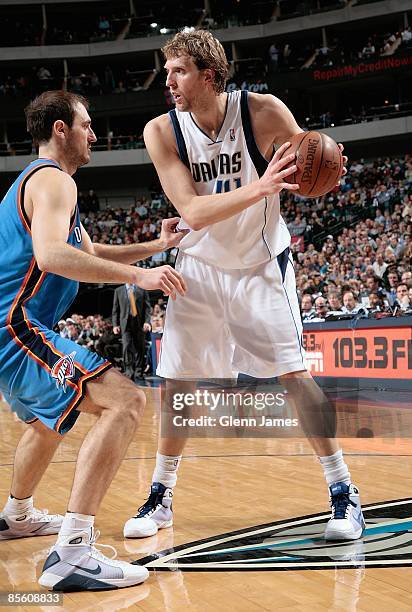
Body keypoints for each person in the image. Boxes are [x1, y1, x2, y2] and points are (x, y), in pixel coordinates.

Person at [124, 30, 365, 543]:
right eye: (166, 72)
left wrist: (325, 169)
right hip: (199, 267)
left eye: (179, 71)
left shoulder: (263, 112)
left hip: (260, 263)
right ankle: (161, 495)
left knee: (296, 377)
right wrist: (259, 186)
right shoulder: (161, 131)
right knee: (178, 384)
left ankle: (344, 492)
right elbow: (191, 211)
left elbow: (304, 166)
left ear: (209, 75)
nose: (168, 81)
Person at [0, 90, 186, 591]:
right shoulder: (54, 181)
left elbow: (89, 250)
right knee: (126, 400)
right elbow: (53, 257)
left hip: (12, 329)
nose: (94, 135)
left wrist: (157, 247)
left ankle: (17, 515)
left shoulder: (38, 185)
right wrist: (142, 279)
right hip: (15, 328)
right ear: (60, 129)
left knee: (47, 422)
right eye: (86, 124)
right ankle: (74, 554)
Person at [112, 281, 152, 381]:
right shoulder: (118, 291)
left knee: (140, 348)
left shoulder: (142, 290)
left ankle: (139, 372)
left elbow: (147, 308)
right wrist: (115, 325)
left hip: (139, 323)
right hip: (125, 324)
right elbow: (115, 310)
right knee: (126, 347)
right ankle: (129, 371)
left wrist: (147, 322)